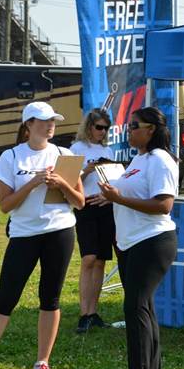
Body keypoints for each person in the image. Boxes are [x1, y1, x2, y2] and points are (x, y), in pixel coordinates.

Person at [0, 102, 85, 369]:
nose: (50, 125)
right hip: (24, 235)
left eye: (53, 120)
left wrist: (61, 185)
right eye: (44, 121)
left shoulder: (65, 155)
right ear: (28, 125)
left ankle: (43, 362)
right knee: (5, 299)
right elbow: (5, 206)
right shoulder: (11, 157)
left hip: (60, 232)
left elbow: (80, 202)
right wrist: (33, 184)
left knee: (50, 298)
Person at [96, 107, 178, 369]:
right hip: (131, 242)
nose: (128, 130)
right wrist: (109, 198)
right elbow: (131, 194)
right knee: (142, 308)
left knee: (135, 306)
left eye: (134, 126)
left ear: (151, 129)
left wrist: (120, 198)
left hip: (153, 240)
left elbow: (163, 205)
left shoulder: (160, 160)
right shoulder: (139, 159)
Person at [69, 108, 116, 333]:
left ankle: (93, 312)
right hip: (85, 205)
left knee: (100, 261)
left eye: (106, 128)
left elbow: (115, 180)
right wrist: (87, 169)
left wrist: (109, 195)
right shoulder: (76, 149)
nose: (102, 131)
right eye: (99, 127)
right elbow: (68, 181)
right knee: (88, 258)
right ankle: (83, 313)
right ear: (88, 127)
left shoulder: (109, 150)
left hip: (105, 206)